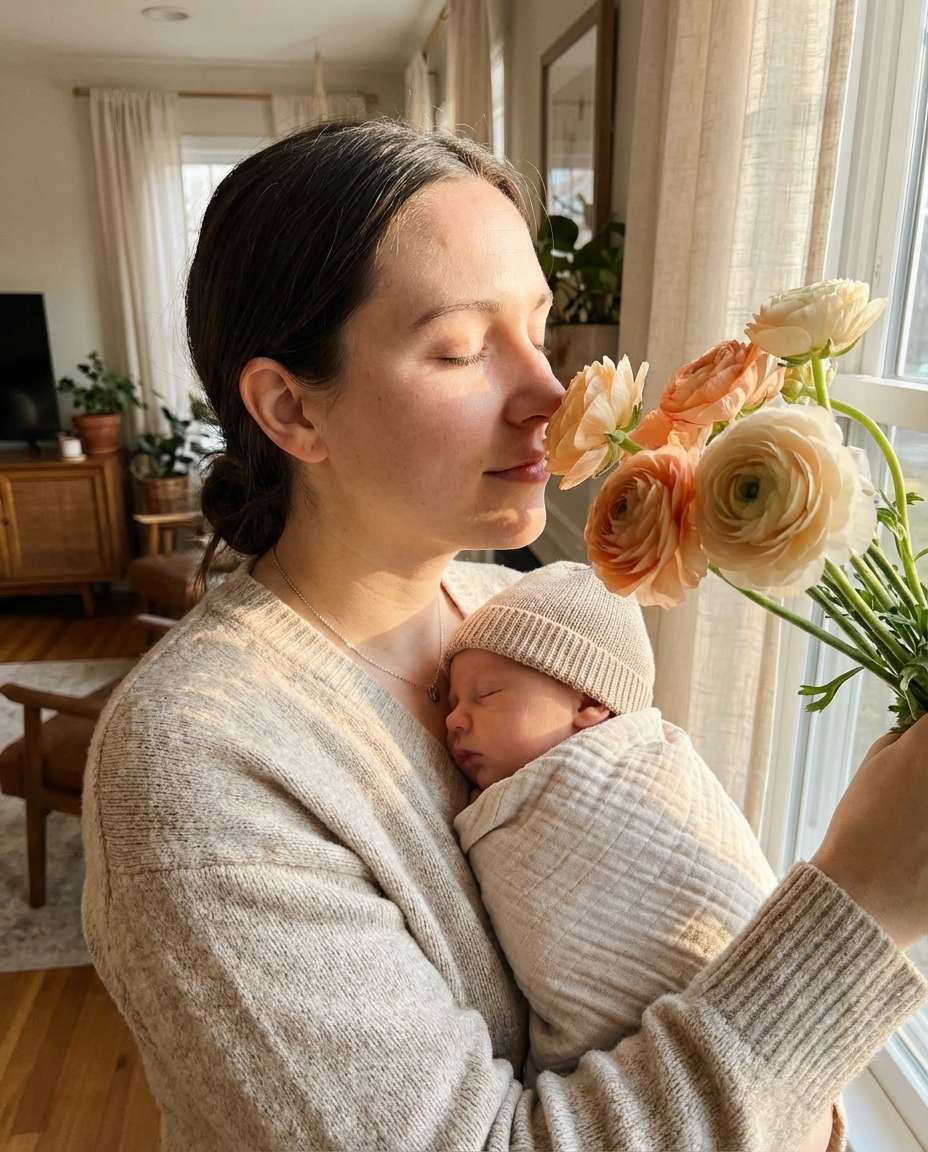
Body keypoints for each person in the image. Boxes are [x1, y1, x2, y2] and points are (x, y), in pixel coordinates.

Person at [80, 118, 928, 1152]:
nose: (549, 395)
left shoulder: (519, 617)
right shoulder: (195, 763)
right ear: (291, 411)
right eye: (460, 349)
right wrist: (863, 907)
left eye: (537, 326)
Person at [444, 560, 837, 1149]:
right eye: (450, 701)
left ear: (591, 706)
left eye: (488, 695)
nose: (454, 719)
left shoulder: (639, 775)